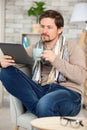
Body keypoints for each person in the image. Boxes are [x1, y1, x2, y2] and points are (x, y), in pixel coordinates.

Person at [0, 10, 87, 117]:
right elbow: (18, 62)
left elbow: (81, 77)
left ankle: (41, 108)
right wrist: (3, 62)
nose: (44, 31)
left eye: (49, 27)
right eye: (42, 26)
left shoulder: (72, 47)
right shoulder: (35, 48)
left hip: (68, 93)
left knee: (45, 103)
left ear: (60, 29)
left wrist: (55, 60)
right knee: (6, 72)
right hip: (42, 90)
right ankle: (42, 109)